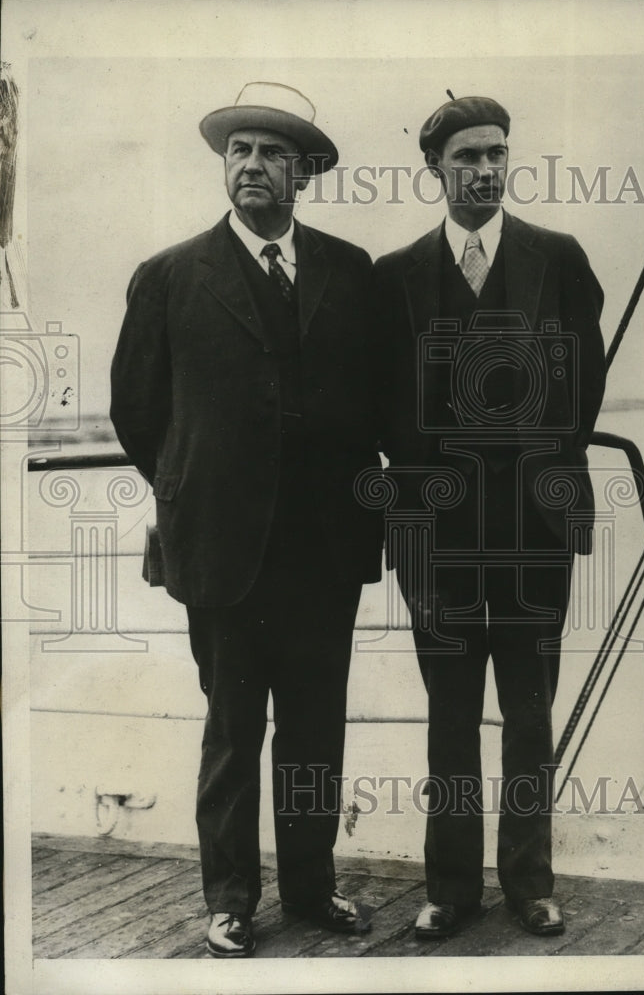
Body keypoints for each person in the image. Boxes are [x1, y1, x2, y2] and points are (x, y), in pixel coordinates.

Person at [110, 82, 383, 958]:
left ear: (303, 173)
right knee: (232, 732)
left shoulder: (350, 271)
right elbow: (138, 412)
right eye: (240, 151)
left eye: (272, 153)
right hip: (224, 552)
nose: (253, 166)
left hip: (326, 551)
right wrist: (197, 487)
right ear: (225, 168)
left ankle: (311, 890)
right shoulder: (168, 276)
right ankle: (228, 899)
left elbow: (373, 398)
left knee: (315, 730)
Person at [374, 94, 606, 939]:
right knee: (449, 718)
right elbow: (386, 407)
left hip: (535, 533)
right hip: (436, 538)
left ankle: (530, 884)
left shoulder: (558, 258)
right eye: (466, 156)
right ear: (434, 168)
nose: (485, 169)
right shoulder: (394, 276)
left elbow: (585, 387)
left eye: (497, 153)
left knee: (530, 714)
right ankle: (450, 889)